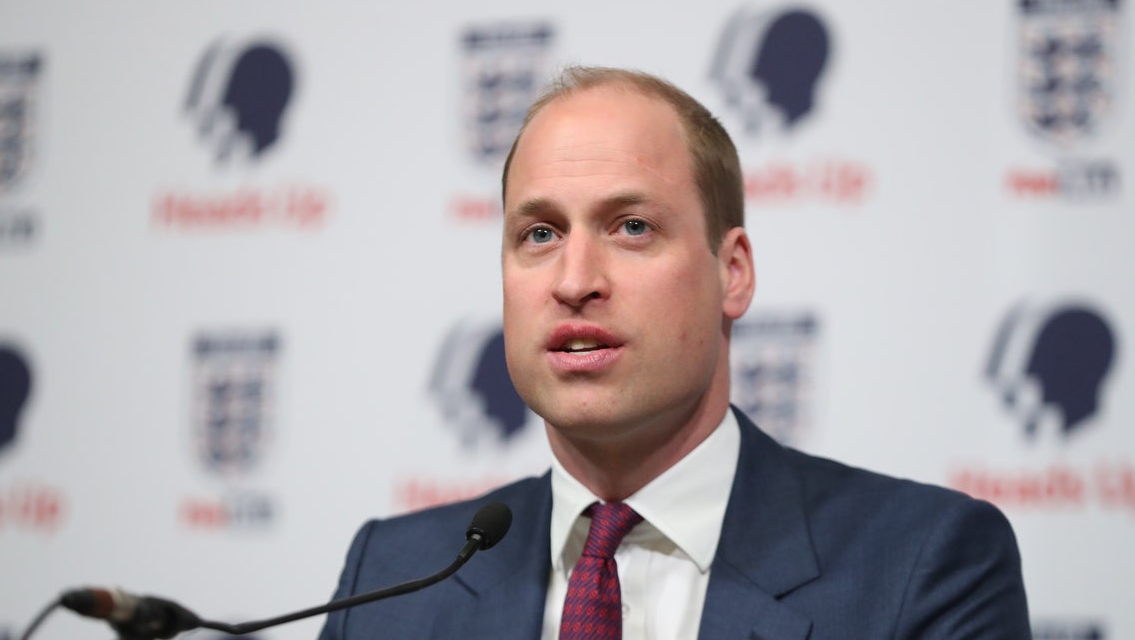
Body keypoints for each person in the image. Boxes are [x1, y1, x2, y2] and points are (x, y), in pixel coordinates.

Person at [317, 66, 1031, 639]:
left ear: (734, 272)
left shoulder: (923, 561)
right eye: (539, 234)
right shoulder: (395, 574)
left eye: (630, 226)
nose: (574, 281)